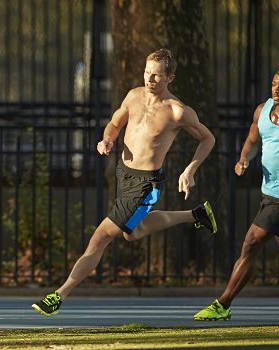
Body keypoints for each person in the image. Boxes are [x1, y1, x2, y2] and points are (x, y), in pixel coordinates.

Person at [31, 48, 217, 317]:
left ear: (170, 78)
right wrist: (107, 139)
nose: (149, 79)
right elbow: (114, 123)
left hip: (145, 184)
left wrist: (190, 169)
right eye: (146, 72)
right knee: (134, 232)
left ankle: (59, 295)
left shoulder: (177, 111)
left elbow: (208, 139)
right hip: (124, 174)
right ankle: (196, 214)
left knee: (101, 236)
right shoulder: (133, 96)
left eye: (156, 76)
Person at [194, 70, 279, 321]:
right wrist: (243, 160)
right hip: (269, 194)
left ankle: (223, 303)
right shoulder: (263, 110)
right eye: (274, 84)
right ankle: (224, 304)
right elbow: (252, 141)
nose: (276, 89)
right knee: (251, 246)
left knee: (251, 243)